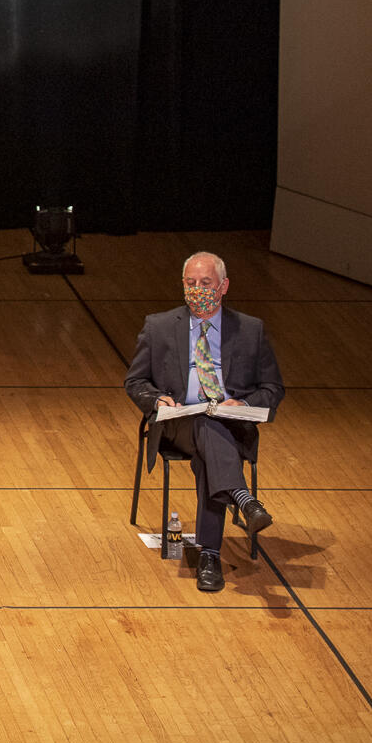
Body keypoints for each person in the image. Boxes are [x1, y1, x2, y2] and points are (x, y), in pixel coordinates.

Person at [125, 250, 283, 593]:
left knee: (211, 435)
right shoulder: (159, 326)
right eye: (191, 283)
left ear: (224, 286)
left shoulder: (250, 330)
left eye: (206, 283)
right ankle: (231, 519)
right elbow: (135, 382)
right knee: (204, 422)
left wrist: (242, 402)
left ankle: (212, 552)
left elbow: (272, 389)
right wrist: (155, 400)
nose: (198, 290)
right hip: (178, 424)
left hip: (230, 423)